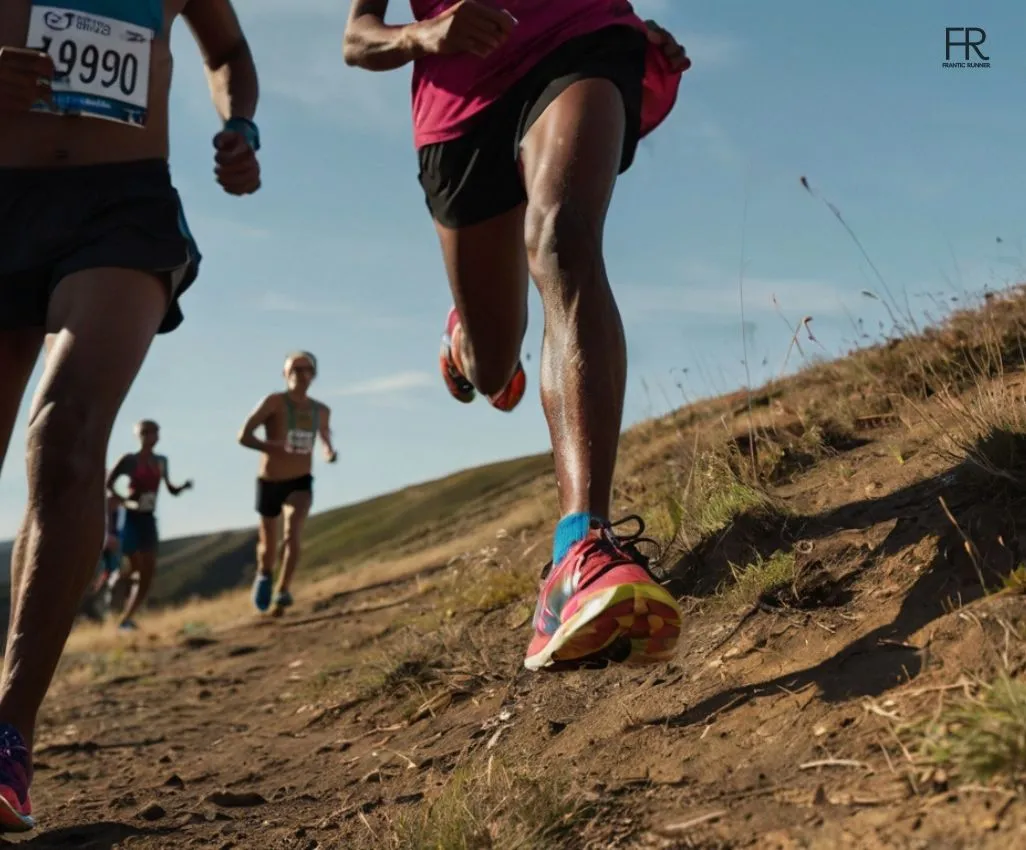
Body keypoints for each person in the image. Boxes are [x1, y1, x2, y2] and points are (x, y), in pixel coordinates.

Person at [342, 0, 689, 672]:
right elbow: (358, 39)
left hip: (579, 35)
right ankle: (466, 343)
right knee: (494, 366)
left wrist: (638, 25)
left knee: (561, 239)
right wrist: (425, 32)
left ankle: (581, 549)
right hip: (458, 98)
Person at [0, 0, 260, 831]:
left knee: (66, 436)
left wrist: (242, 126)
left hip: (121, 206)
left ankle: (8, 733)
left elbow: (228, 51)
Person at [238, 352, 338, 617]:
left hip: (301, 480)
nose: (300, 373)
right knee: (268, 546)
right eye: (294, 368)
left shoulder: (321, 410)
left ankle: (283, 591)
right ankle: (265, 574)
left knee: (292, 535)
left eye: (306, 369)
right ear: (284, 374)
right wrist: (270, 446)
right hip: (270, 480)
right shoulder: (274, 402)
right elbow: (243, 436)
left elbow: (325, 437)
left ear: (313, 375)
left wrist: (328, 452)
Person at [106, 420, 193, 632]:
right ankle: (116, 583)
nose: (150, 436)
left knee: (148, 571)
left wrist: (182, 487)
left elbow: (169, 488)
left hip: (148, 518)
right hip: (131, 518)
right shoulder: (129, 460)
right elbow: (108, 484)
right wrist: (126, 501)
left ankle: (127, 618)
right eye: (146, 432)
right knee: (134, 564)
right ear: (139, 435)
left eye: (154, 432)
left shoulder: (161, 461)